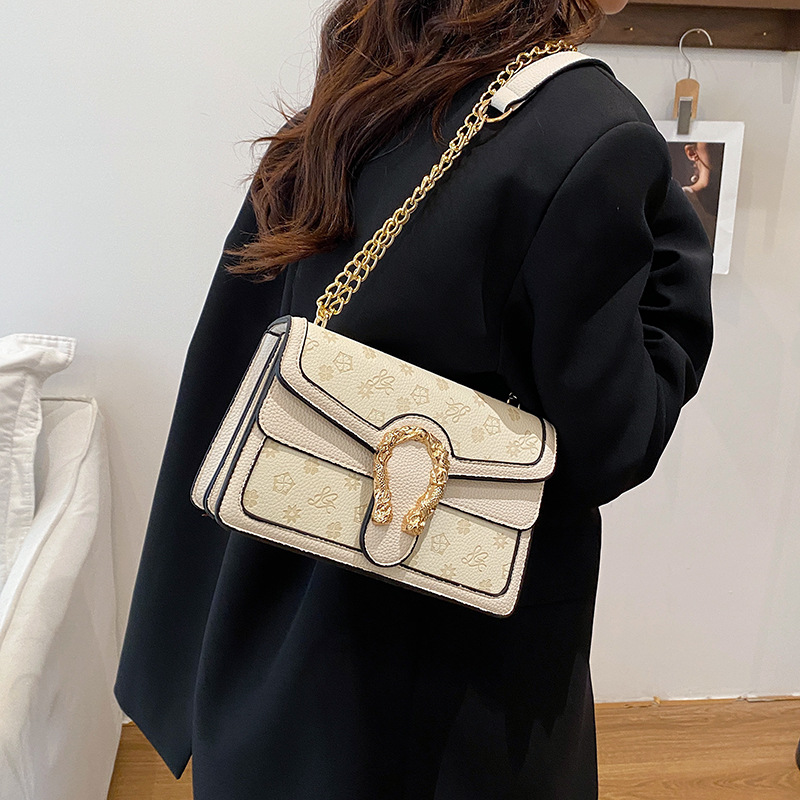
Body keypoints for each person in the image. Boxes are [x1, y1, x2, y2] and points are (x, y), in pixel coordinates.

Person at [113, 1, 714, 798]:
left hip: (269, 632)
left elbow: (233, 351)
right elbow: (616, 439)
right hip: (445, 699)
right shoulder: (591, 131)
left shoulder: (367, 85)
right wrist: (678, 258)